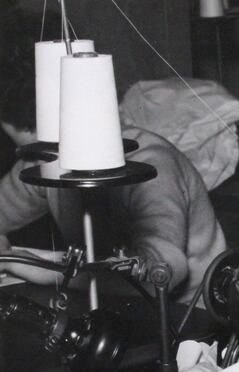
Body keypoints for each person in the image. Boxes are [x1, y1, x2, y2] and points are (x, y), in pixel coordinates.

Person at [0, 8, 226, 303]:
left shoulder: (152, 164)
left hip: (185, 317)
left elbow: (160, 275)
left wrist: (29, 264)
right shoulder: (42, 160)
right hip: (108, 304)